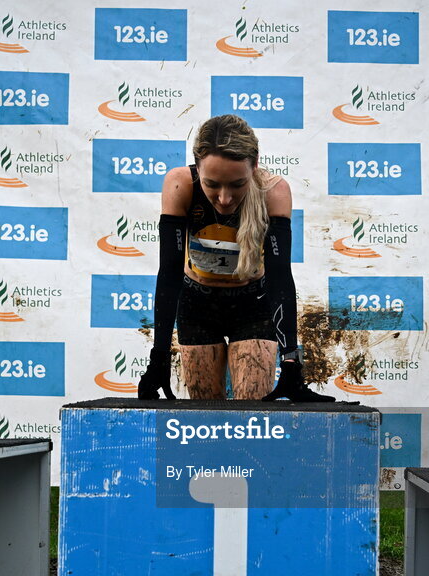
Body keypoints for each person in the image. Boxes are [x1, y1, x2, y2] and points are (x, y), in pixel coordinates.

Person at [137, 114, 333, 402]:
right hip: (197, 307)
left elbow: (279, 277)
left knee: (251, 414)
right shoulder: (180, 183)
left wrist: (291, 359)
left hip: (252, 306)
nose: (225, 198)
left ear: (254, 167)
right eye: (212, 184)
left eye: (238, 184)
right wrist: (159, 356)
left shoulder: (273, 190)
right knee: (205, 419)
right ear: (197, 166)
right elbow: (169, 273)